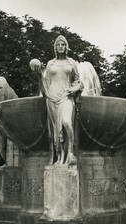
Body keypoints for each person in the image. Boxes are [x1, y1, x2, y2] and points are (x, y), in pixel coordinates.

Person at [31, 35, 84, 165]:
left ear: (66, 47)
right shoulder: (50, 63)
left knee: (66, 122)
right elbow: (45, 85)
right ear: (55, 47)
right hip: (52, 98)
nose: (60, 46)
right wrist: (38, 75)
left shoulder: (71, 63)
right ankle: (59, 157)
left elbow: (79, 83)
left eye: (63, 44)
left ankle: (70, 153)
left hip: (66, 96)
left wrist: (73, 89)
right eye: (58, 44)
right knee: (55, 130)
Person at [0, 76, 18, 162]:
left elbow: (1, 106)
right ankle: (11, 163)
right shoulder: (12, 91)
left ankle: (7, 162)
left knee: (0, 142)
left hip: (4, 122)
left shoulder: (2, 91)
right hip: (14, 121)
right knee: (12, 144)